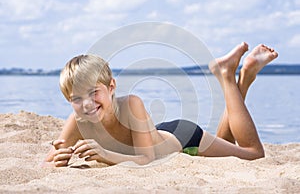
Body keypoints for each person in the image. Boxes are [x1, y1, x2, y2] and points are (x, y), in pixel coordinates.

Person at [44, 42, 278, 167]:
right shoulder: (78, 120)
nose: (86, 104)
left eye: (93, 93)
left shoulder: (130, 105)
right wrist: (56, 160)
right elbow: (46, 163)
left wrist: (105, 154)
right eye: (76, 98)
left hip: (184, 139)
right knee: (226, 142)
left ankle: (226, 76)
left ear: (111, 87)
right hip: (158, 132)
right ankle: (243, 80)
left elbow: (147, 160)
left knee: (252, 154)